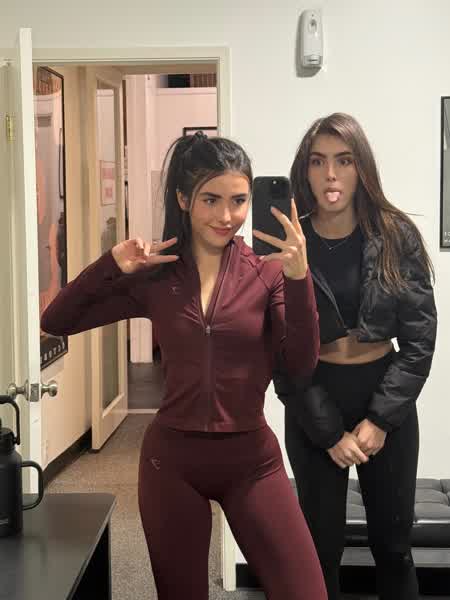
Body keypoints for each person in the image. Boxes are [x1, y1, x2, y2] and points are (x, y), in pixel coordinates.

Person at [41, 132, 328, 600]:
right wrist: (110, 264)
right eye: (211, 199)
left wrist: (300, 280)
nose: (226, 216)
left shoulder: (268, 273)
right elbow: (57, 320)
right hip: (171, 463)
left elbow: (300, 365)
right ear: (182, 199)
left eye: (238, 200)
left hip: (252, 462)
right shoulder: (157, 277)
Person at [272, 113, 437, 600]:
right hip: (313, 394)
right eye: (318, 161)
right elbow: (279, 351)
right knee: (319, 552)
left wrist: (381, 420)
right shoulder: (288, 242)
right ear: (304, 170)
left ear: (361, 167)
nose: (330, 175)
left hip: (383, 396)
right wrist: (328, 432)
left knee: (394, 549)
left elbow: (419, 340)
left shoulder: (395, 235)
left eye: (344, 161)